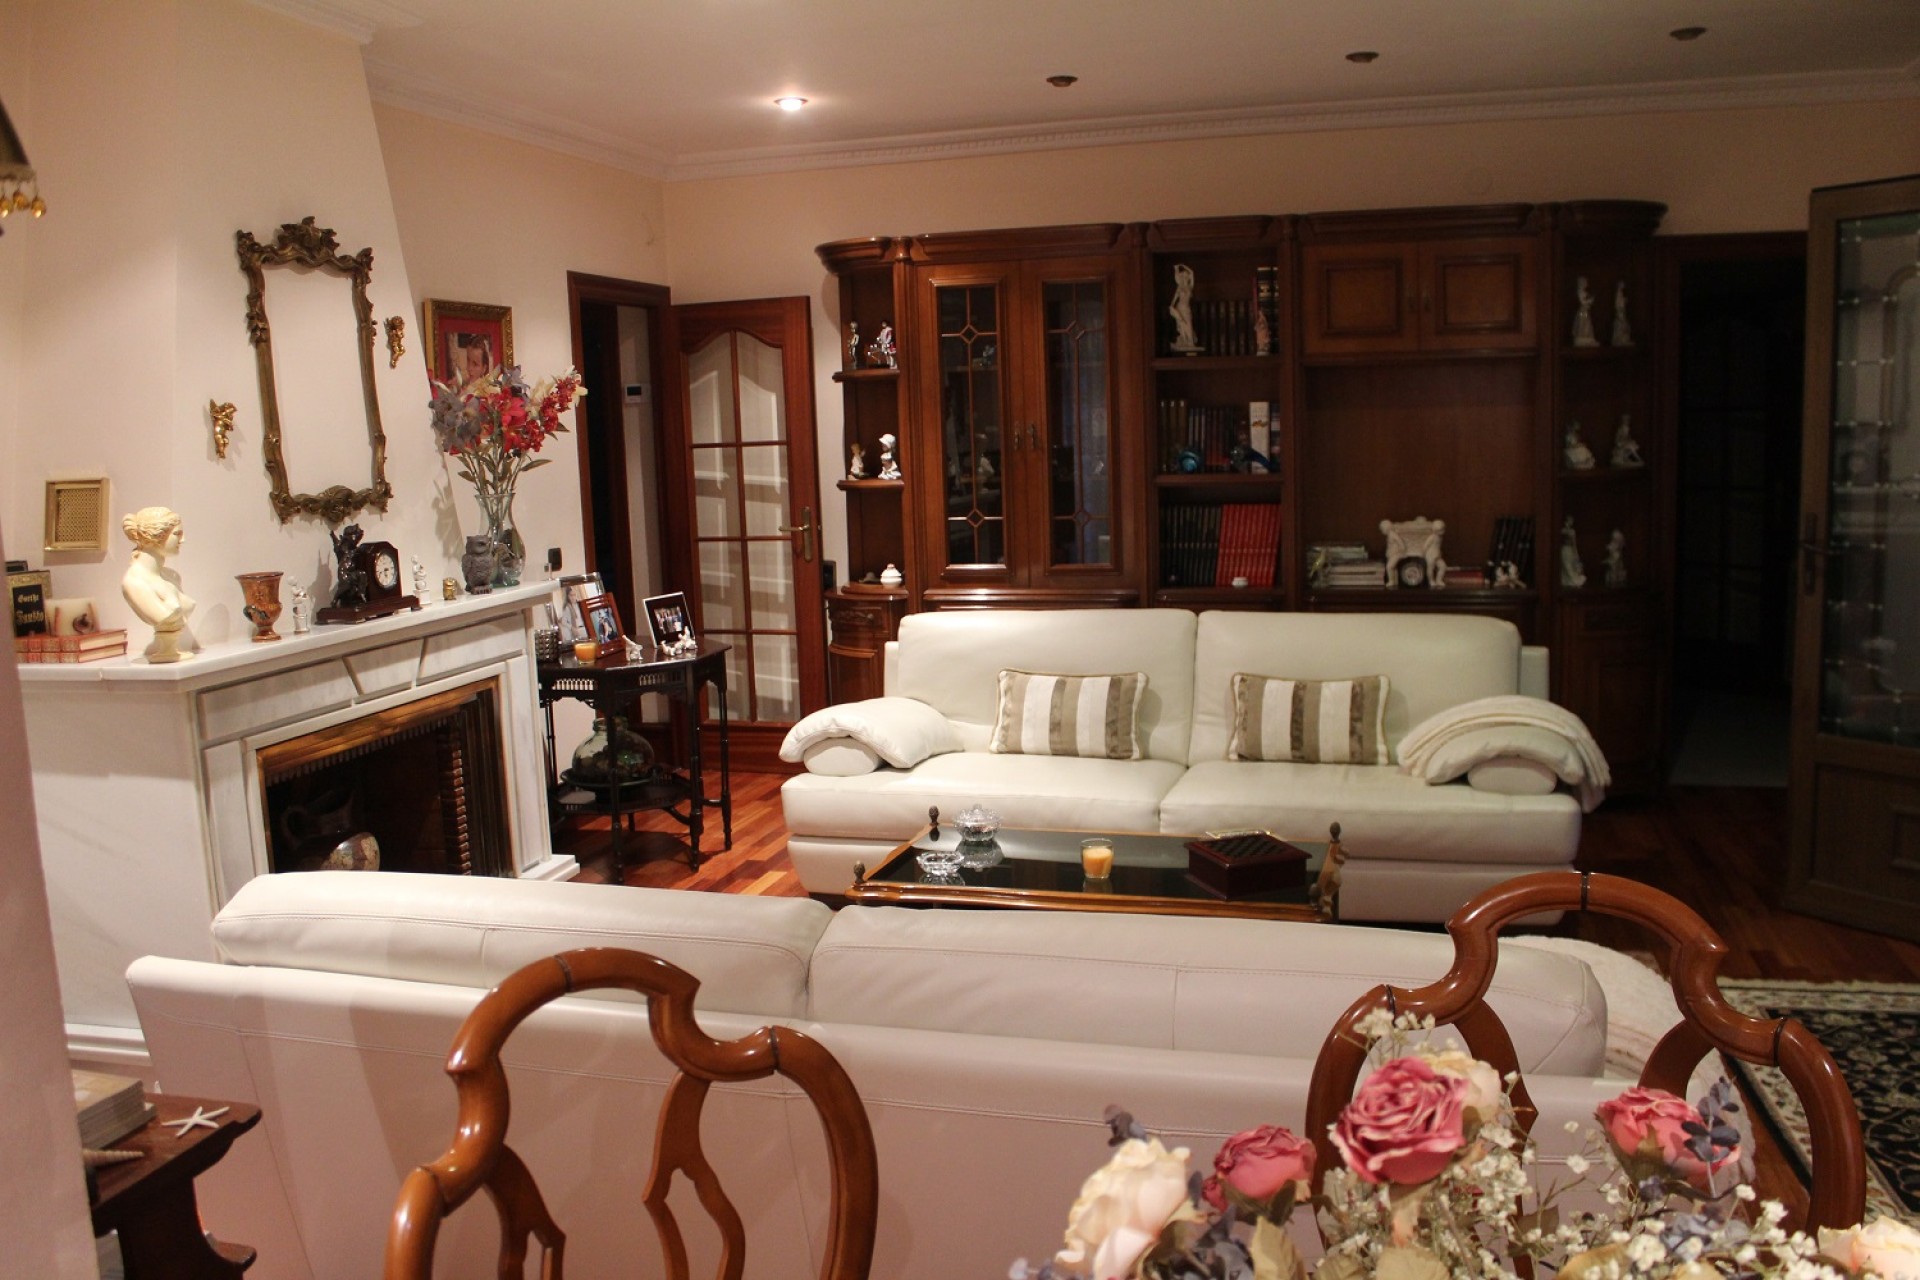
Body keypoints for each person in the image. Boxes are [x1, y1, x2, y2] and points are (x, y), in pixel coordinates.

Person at [121, 506, 196, 663]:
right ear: (155, 536)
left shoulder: (171, 576)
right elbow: (162, 615)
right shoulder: (134, 582)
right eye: (177, 534)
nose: (183, 540)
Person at [1168, 263, 1200, 353]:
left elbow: (1192, 272)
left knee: (1189, 325)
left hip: (1187, 308)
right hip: (1179, 308)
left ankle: (1191, 342)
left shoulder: (1190, 286)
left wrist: (1182, 266)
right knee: (1182, 324)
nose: (1185, 278)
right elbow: (1174, 300)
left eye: (1186, 276)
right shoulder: (1179, 288)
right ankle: (1185, 341)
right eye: (1184, 276)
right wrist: (1172, 307)